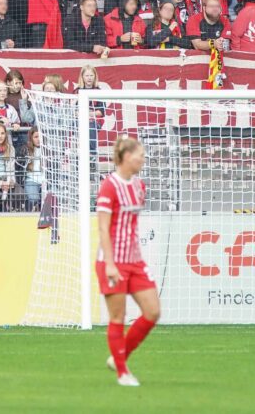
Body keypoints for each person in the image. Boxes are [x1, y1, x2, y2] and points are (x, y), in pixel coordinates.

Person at [98, 135, 159, 388]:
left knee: (153, 311)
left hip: (134, 260)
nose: (143, 159)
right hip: (112, 261)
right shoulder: (109, 186)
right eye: (139, 155)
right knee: (118, 317)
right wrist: (111, 264)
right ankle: (123, 372)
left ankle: (118, 355)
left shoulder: (139, 185)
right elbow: (103, 228)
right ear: (125, 157)